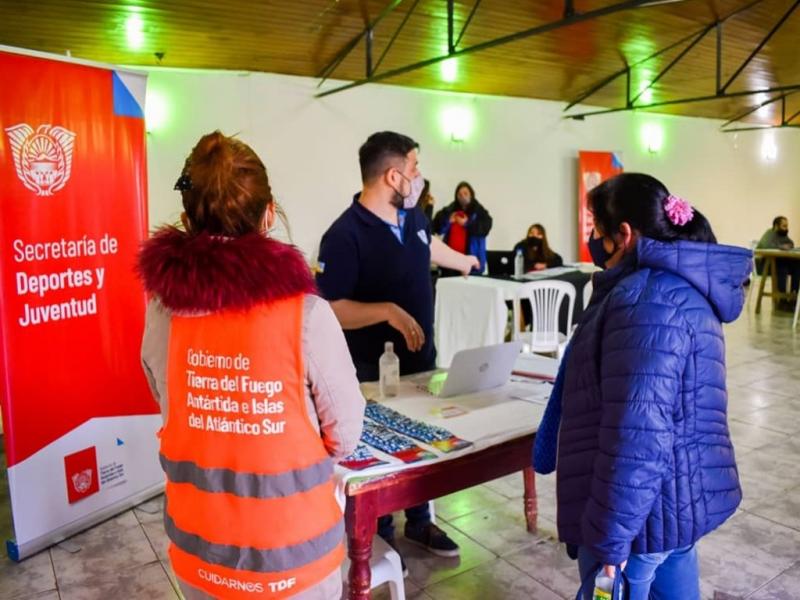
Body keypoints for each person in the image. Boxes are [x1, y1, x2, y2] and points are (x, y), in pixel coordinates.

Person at [138, 131, 364, 600]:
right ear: (268, 214)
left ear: (185, 219)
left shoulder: (162, 311)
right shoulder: (306, 315)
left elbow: (167, 400)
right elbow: (345, 432)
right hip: (296, 561)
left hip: (199, 556)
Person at [534, 173, 751, 600]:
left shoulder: (645, 300)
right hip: (677, 505)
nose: (593, 241)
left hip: (641, 520)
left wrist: (611, 541)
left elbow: (638, 438)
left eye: (596, 229)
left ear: (624, 234)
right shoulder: (679, 286)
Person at [316, 131, 478, 567]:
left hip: (421, 361)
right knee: (386, 453)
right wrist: (387, 310)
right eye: (414, 169)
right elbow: (331, 308)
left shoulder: (415, 218)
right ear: (393, 175)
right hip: (373, 368)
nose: (419, 177)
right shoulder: (344, 235)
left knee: (425, 447)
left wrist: (462, 261)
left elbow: (429, 246)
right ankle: (382, 534)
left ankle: (420, 521)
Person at [432, 181, 492, 275]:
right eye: (459, 194)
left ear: (471, 195)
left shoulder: (480, 212)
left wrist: (467, 223)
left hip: (471, 264)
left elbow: (485, 229)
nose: (462, 196)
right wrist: (448, 221)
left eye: (465, 193)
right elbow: (436, 228)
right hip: (449, 263)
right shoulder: (449, 210)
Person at [757, 216, 799, 306]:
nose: (786, 229)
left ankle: (794, 296)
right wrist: (781, 247)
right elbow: (766, 245)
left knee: (797, 266)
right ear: (776, 226)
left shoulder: (783, 235)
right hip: (765, 265)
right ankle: (782, 299)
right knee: (782, 266)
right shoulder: (769, 233)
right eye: (784, 226)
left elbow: (790, 243)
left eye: (787, 226)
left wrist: (787, 246)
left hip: (779, 263)